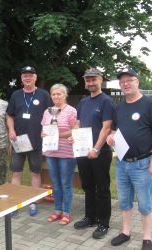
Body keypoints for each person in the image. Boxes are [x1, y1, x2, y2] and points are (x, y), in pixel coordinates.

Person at [107, 68, 152, 250]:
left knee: (145, 203)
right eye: (122, 81)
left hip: (142, 163)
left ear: (137, 82)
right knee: (124, 201)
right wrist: (111, 136)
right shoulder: (120, 106)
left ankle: (147, 238)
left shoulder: (149, 104)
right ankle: (126, 232)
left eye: (129, 80)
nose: (126, 83)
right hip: (122, 163)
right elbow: (115, 129)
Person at [68, 68, 114, 239]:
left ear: (100, 80)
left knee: (102, 188)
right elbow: (78, 123)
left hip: (100, 152)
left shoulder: (106, 101)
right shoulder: (83, 102)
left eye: (93, 79)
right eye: (88, 80)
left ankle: (103, 223)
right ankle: (90, 217)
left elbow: (107, 127)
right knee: (87, 185)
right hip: (82, 151)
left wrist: (96, 149)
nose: (90, 83)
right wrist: (74, 137)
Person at [6, 66, 52, 216]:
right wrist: (11, 130)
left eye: (30, 75)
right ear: (21, 78)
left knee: (35, 173)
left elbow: (51, 115)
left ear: (35, 77)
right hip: (19, 140)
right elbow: (9, 115)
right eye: (25, 75)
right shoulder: (16, 95)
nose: (27, 78)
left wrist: (48, 131)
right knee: (16, 173)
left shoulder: (43, 95)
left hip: (36, 141)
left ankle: (33, 202)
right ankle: (14, 204)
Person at [41, 84, 77, 225]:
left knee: (65, 184)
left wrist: (58, 135)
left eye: (59, 94)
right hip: (51, 152)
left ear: (65, 95)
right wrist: (44, 134)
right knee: (55, 183)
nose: (56, 96)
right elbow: (43, 131)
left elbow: (75, 130)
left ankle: (67, 213)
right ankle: (57, 210)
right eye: (53, 94)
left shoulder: (71, 111)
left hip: (66, 153)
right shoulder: (47, 112)